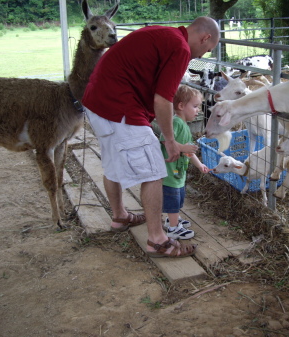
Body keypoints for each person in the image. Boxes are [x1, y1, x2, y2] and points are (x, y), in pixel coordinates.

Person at [82, 17, 220, 258]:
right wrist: (170, 140)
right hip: (120, 104)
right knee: (156, 170)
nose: (200, 56)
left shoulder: (165, 34)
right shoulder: (180, 48)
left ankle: (120, 217)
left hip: (96, 100)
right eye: (206, 50)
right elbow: (163, 100)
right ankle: (157, 240)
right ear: (205, 37)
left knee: (112, 162)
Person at [160, 85, 210, 240]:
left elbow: (189, 152)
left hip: (178, 172)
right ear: (181, 106)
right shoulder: (175, 122)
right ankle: (173, 229)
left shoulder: (185, 126)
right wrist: (182, 147)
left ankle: (172, 220)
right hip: (169, 172)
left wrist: (199, 164)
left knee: (179, 197)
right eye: (195, 106)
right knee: (173, 199)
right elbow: (164, 140)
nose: (198, 110)